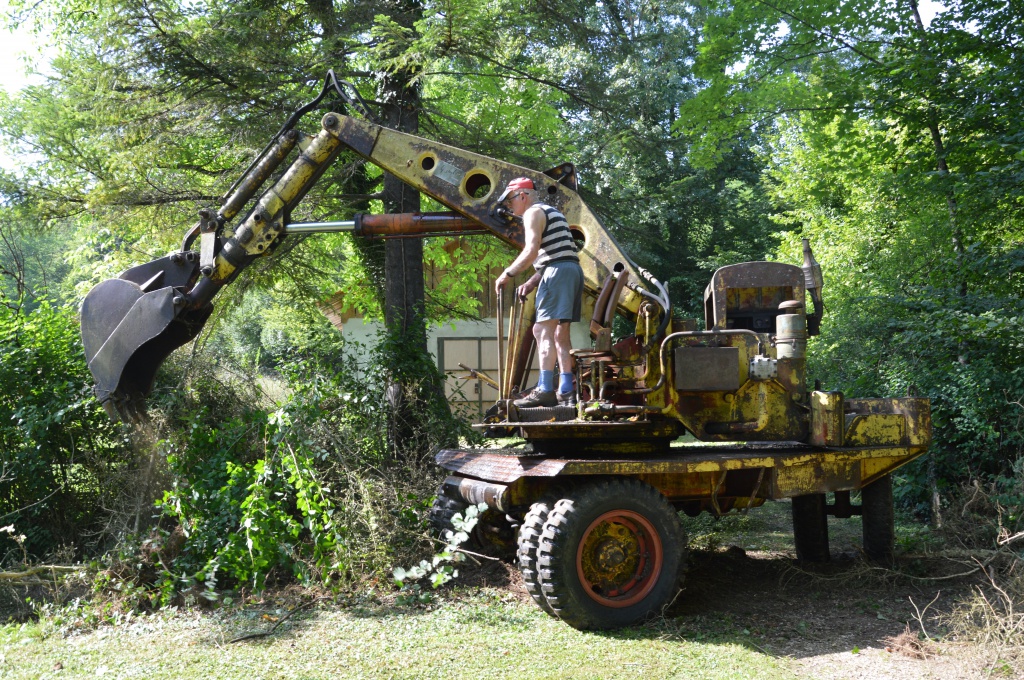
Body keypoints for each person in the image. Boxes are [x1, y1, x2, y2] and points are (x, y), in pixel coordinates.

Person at [494, 177, 584, 407]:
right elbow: (558, 253)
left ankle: (544, 389)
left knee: (541, 330)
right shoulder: (551, 212)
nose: (509, 207)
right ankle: (565, 390)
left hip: (558, 272)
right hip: (571, 271)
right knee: (560, 335)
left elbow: (532, 250)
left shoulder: (533, 212)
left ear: (522, 196)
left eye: (510, 201)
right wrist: (533, 282)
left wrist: (508, 273)